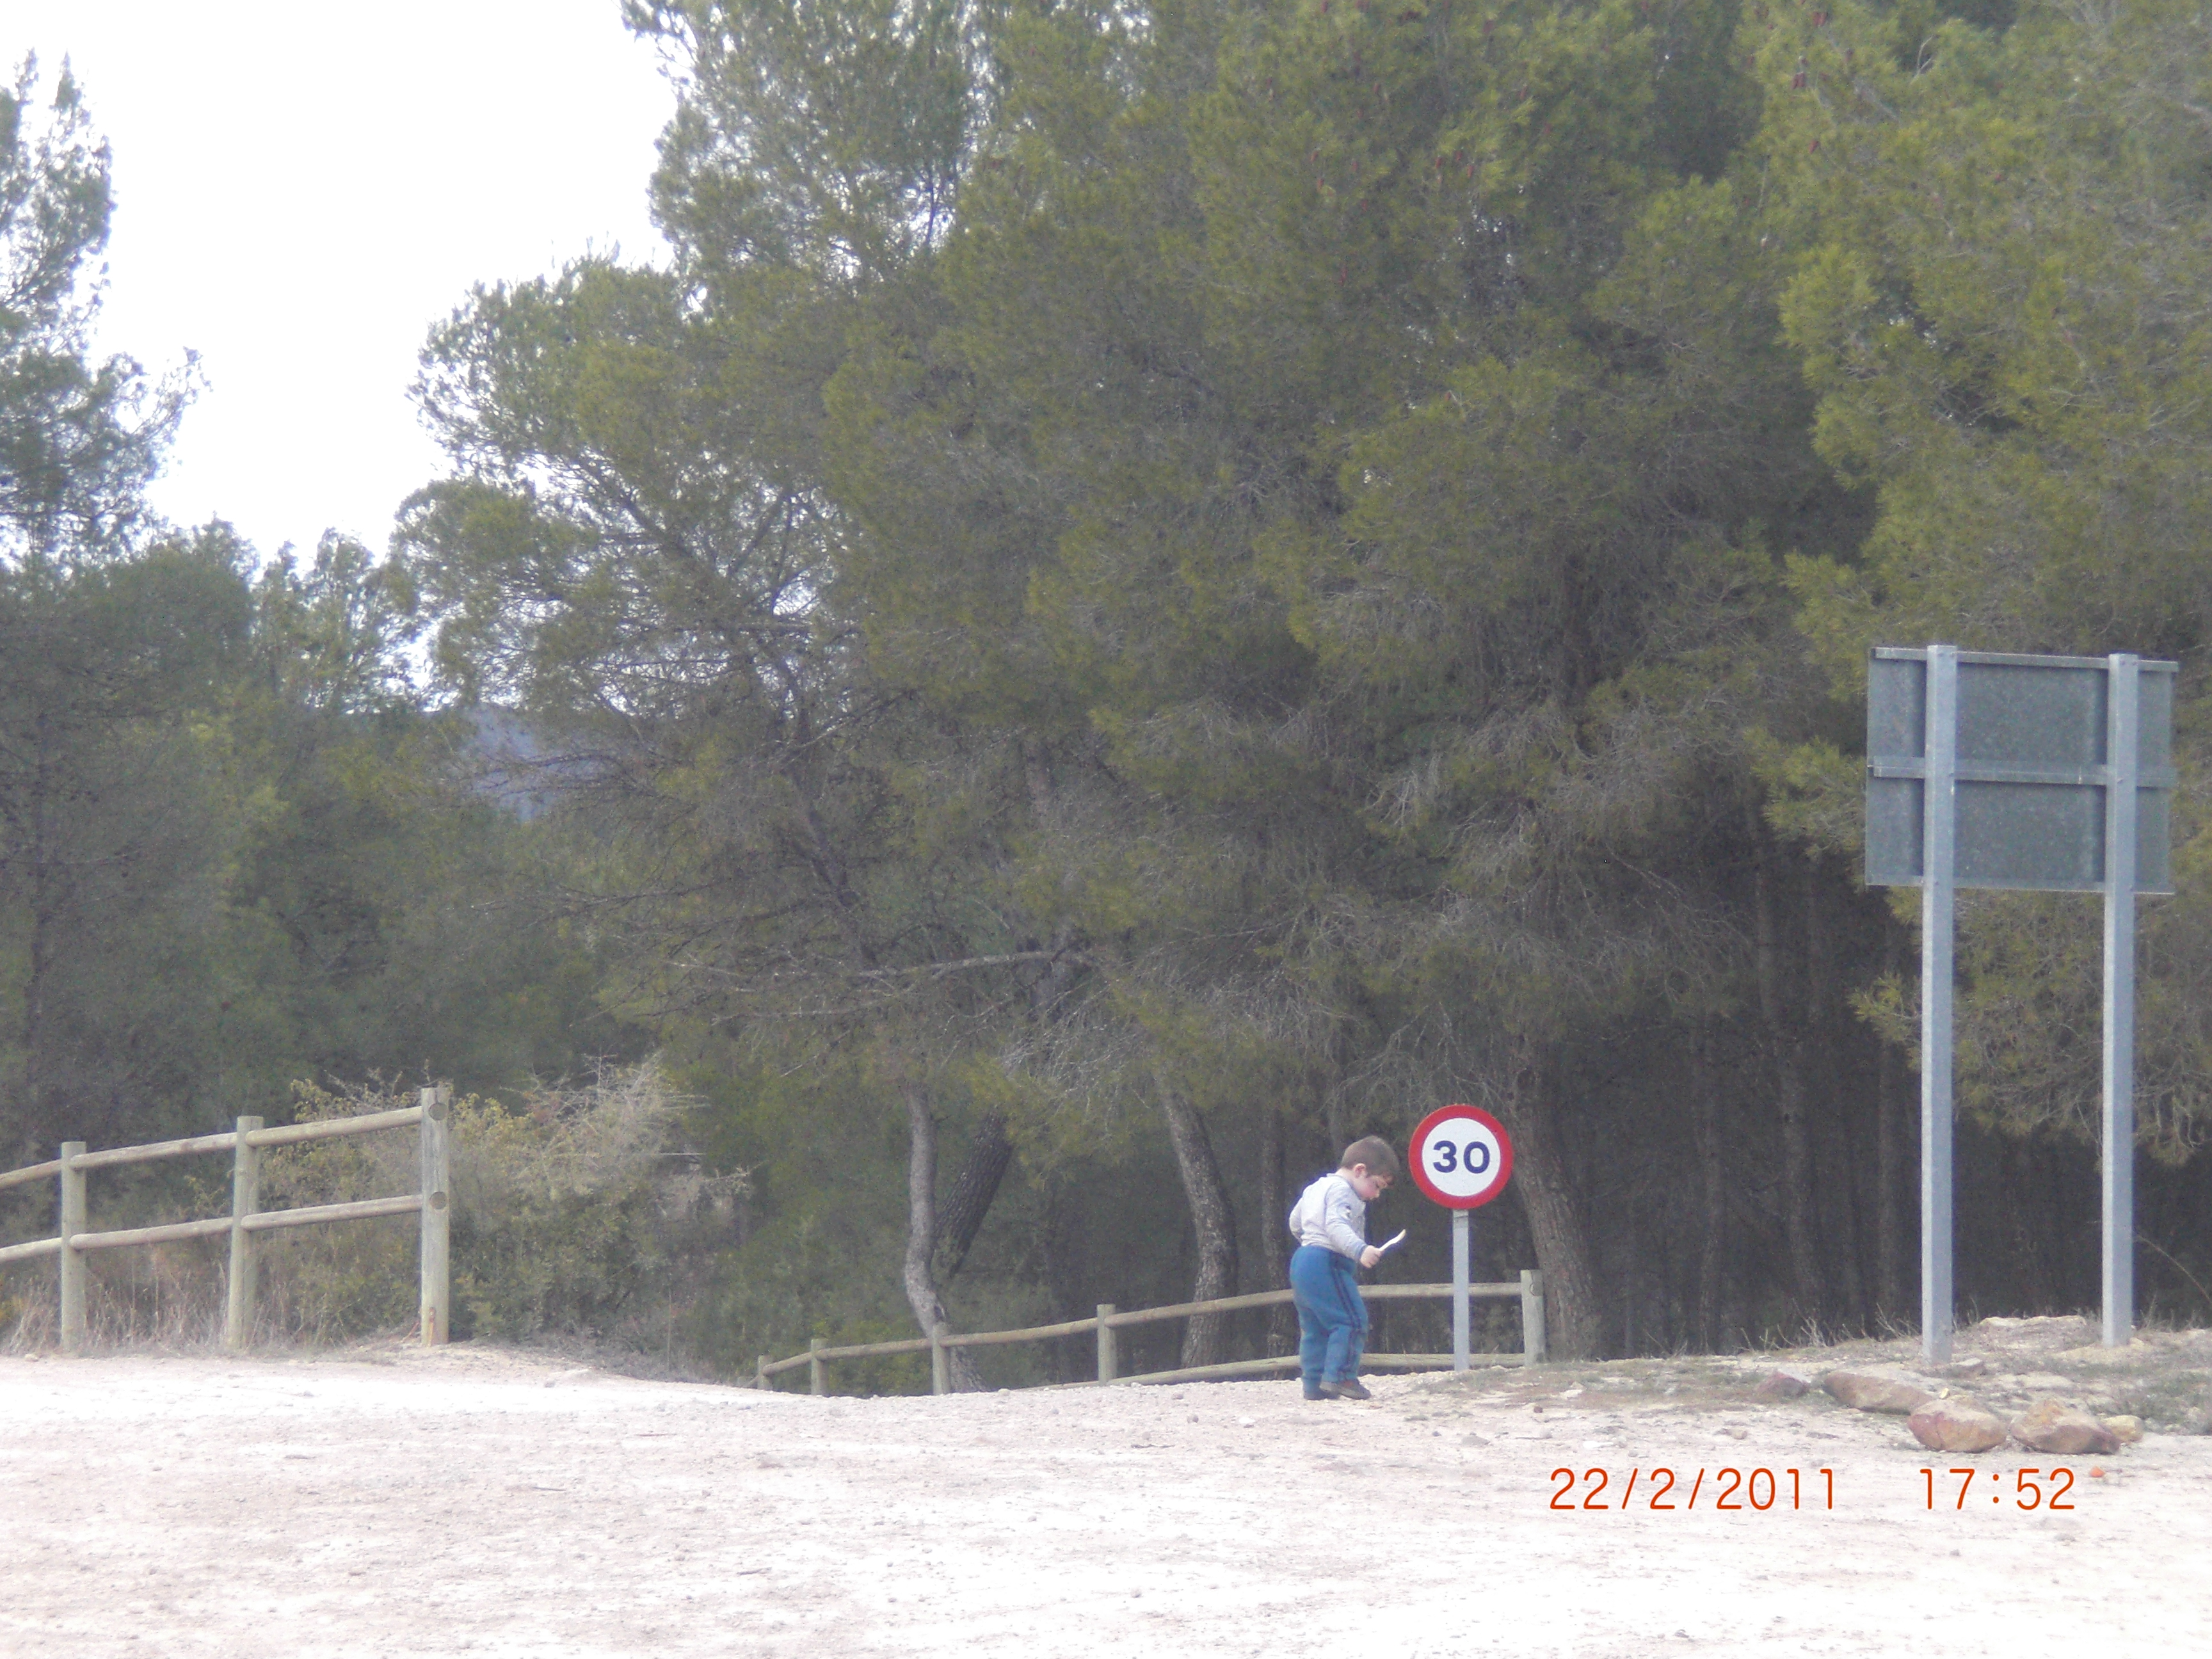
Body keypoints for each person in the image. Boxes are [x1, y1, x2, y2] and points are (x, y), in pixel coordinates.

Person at [1286, 1135, 1397, 1401]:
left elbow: (1294, 1222)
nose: (1376, 1195)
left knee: (1315, 1327)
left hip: (1303, 1260)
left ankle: (1314, 1384)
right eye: (1376, 1185)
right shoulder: (1343, 1191)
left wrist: (1310, 1244)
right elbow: (1336, 1225)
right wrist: (1360, 1249)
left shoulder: (1316, 1187)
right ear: (1360, 1170)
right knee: (1351, 1320)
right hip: (1327, 1261)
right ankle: (1342, 1377)